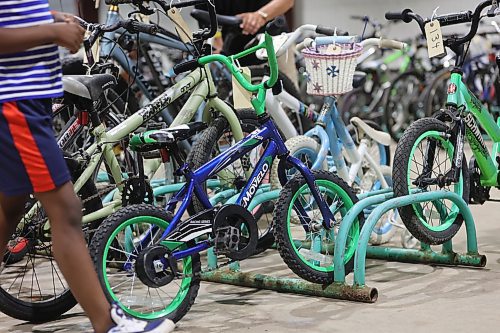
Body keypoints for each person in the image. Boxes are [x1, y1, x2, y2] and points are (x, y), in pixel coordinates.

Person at [0, 2, 174, 333]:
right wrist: (53, 31)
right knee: (66, 211)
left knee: (10, 208)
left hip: (23, 99)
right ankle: (107, 323)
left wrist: (52, 17)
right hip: (15, 102)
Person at [198, 0, 294, 65]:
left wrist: (259, 16)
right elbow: (205, 16)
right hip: (230, 51)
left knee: (284, 89)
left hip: (274, 44)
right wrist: (217, 44)